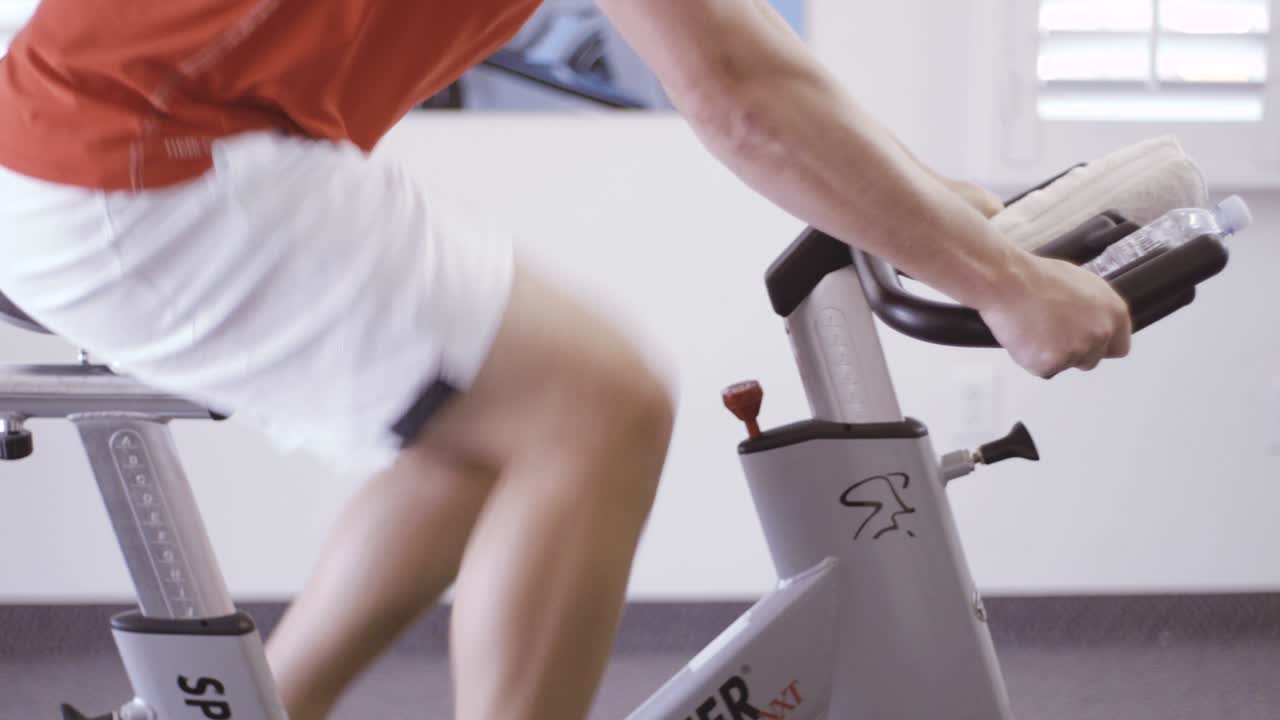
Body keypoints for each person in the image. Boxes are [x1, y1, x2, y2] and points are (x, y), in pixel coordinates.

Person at [0, 0, 1132, 718]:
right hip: (144, 160)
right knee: (596, 407)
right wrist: (1003, 285)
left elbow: (749, 55)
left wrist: (941, 210)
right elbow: (736, 95)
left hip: (108, 154)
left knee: (482, 443)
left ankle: (274, 707)